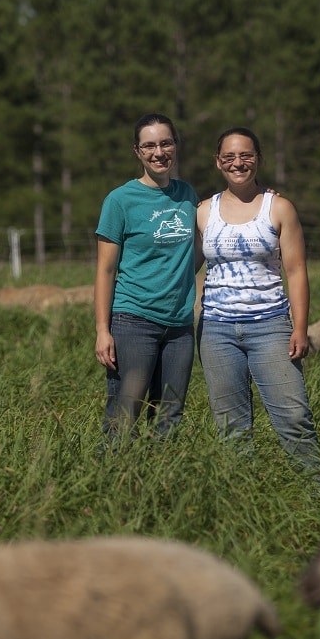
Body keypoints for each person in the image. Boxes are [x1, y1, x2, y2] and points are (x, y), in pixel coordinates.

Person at [196, 126, 320, 476]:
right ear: (218, 162)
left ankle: (318, 498)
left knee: (294, 418)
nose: (239, 163)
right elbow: (185, 265)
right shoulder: (204, 211)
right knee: (231, 429)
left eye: (246, 155)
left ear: (259, 159)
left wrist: (299, 328)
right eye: (230, 156)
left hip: (270, 327)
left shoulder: (279, 207)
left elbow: (296, 271)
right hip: (216, 331)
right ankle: (245, 504)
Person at [94, 113, 198, 440]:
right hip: (133, 321)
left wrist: (266, 196)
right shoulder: (120, 201)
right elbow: (105, 271)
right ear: (137, 151)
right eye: (149, 145)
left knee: (170, 414)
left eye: (165, 143)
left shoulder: (188, 195)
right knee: (126, 412)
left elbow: (201, 247)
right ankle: (111, 479)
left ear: (176, 146)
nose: (159, 152)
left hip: (180, 326)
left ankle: (162, 484)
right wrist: (102, 330)